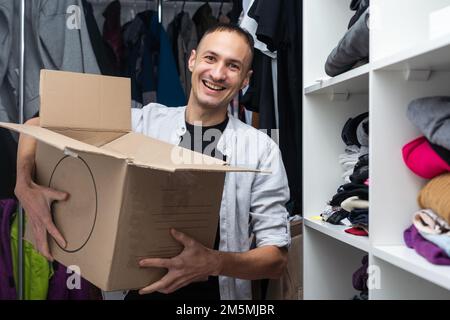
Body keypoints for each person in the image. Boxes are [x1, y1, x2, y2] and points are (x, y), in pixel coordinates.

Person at [14, 24, 291, 300]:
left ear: (245, 80)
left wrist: (214, 262)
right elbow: (40, 123)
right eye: (210, 58)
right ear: (192, 60)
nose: (218, 74)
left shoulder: (260, 148)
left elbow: (276, 259)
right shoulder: (144, 121)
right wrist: (24, 184)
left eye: (233, 66)